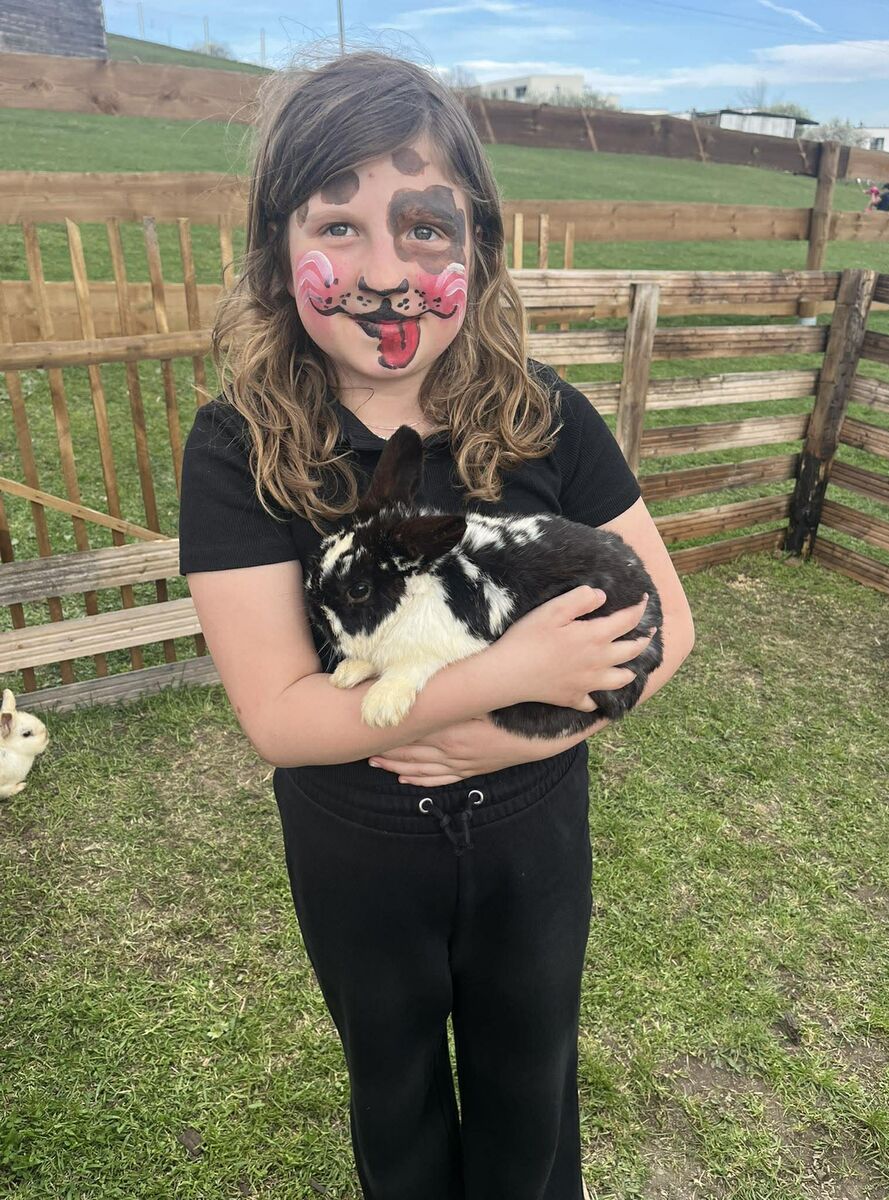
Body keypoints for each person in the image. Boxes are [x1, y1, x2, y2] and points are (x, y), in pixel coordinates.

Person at [178, 50, 695, 1200]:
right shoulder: (240, 451)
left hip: (533, 836)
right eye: (338, 226)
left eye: (423, 227)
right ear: (275, 250)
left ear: (478, 247)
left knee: (530, 1089)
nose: (384, 272)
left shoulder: (547, 418)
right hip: (359, 853)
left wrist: (520, 736)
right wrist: (500, 677)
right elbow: (279, 714)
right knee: (395, 1091)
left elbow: (672, 625)